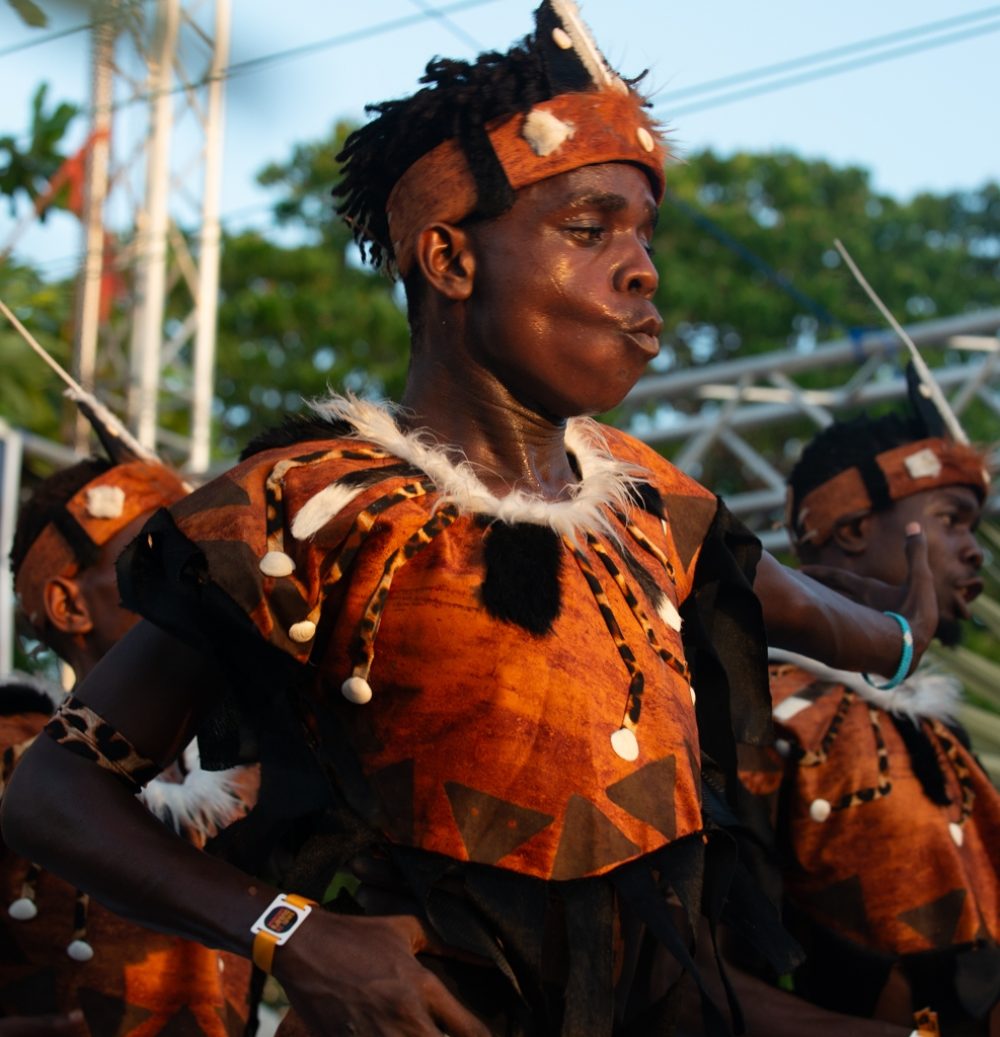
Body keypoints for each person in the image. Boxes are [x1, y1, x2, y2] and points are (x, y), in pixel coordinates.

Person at [1, 4, 940, 1035]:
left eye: (643, 233)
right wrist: (292, 932)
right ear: (449, 260)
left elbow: (833, 622)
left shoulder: (653, 506)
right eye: (588, 229)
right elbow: (55, 789)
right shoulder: (307, 506)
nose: (641, 268)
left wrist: (906, 619)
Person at [730, 405, 998, 1036]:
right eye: (951, 519)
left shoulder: (939, 733)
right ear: (852, 530)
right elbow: (690, 974)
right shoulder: (756, 710)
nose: (974, 551)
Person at [2, 454, 259, 1036]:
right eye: (152, 556)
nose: (192, 576)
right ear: (70, 606)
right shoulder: (9, 750)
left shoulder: (245, 764)